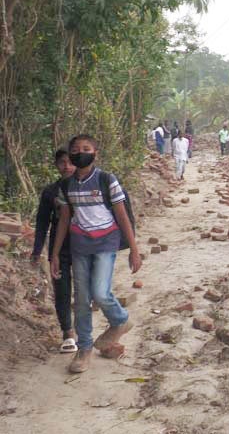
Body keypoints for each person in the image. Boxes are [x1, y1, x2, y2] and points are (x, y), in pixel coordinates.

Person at [51, 134, 141, 374]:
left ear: (95, 153)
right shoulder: (67, 186)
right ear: (70, 155)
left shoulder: (106, 180)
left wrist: (134, 249)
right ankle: (84, 348)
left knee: (100, 293)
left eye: (86, 148)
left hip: (106, 243)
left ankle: (121, 320)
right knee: (81, 299)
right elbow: (64, 220)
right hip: (80, 246)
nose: (81, 152)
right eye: (76, 149)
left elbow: (122, 215)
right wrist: (56, 253)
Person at [31, 149, 78, 353]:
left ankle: (83, 330)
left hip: (84, 244)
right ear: (56, 165)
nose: (66, 166)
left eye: (70, 162)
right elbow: (42, 222)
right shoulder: (50, 191)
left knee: (85, 288)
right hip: (58, 247)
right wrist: (37, 250)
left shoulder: (87, 187)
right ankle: (68, 332)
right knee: (61, 288)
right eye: (61, 162)